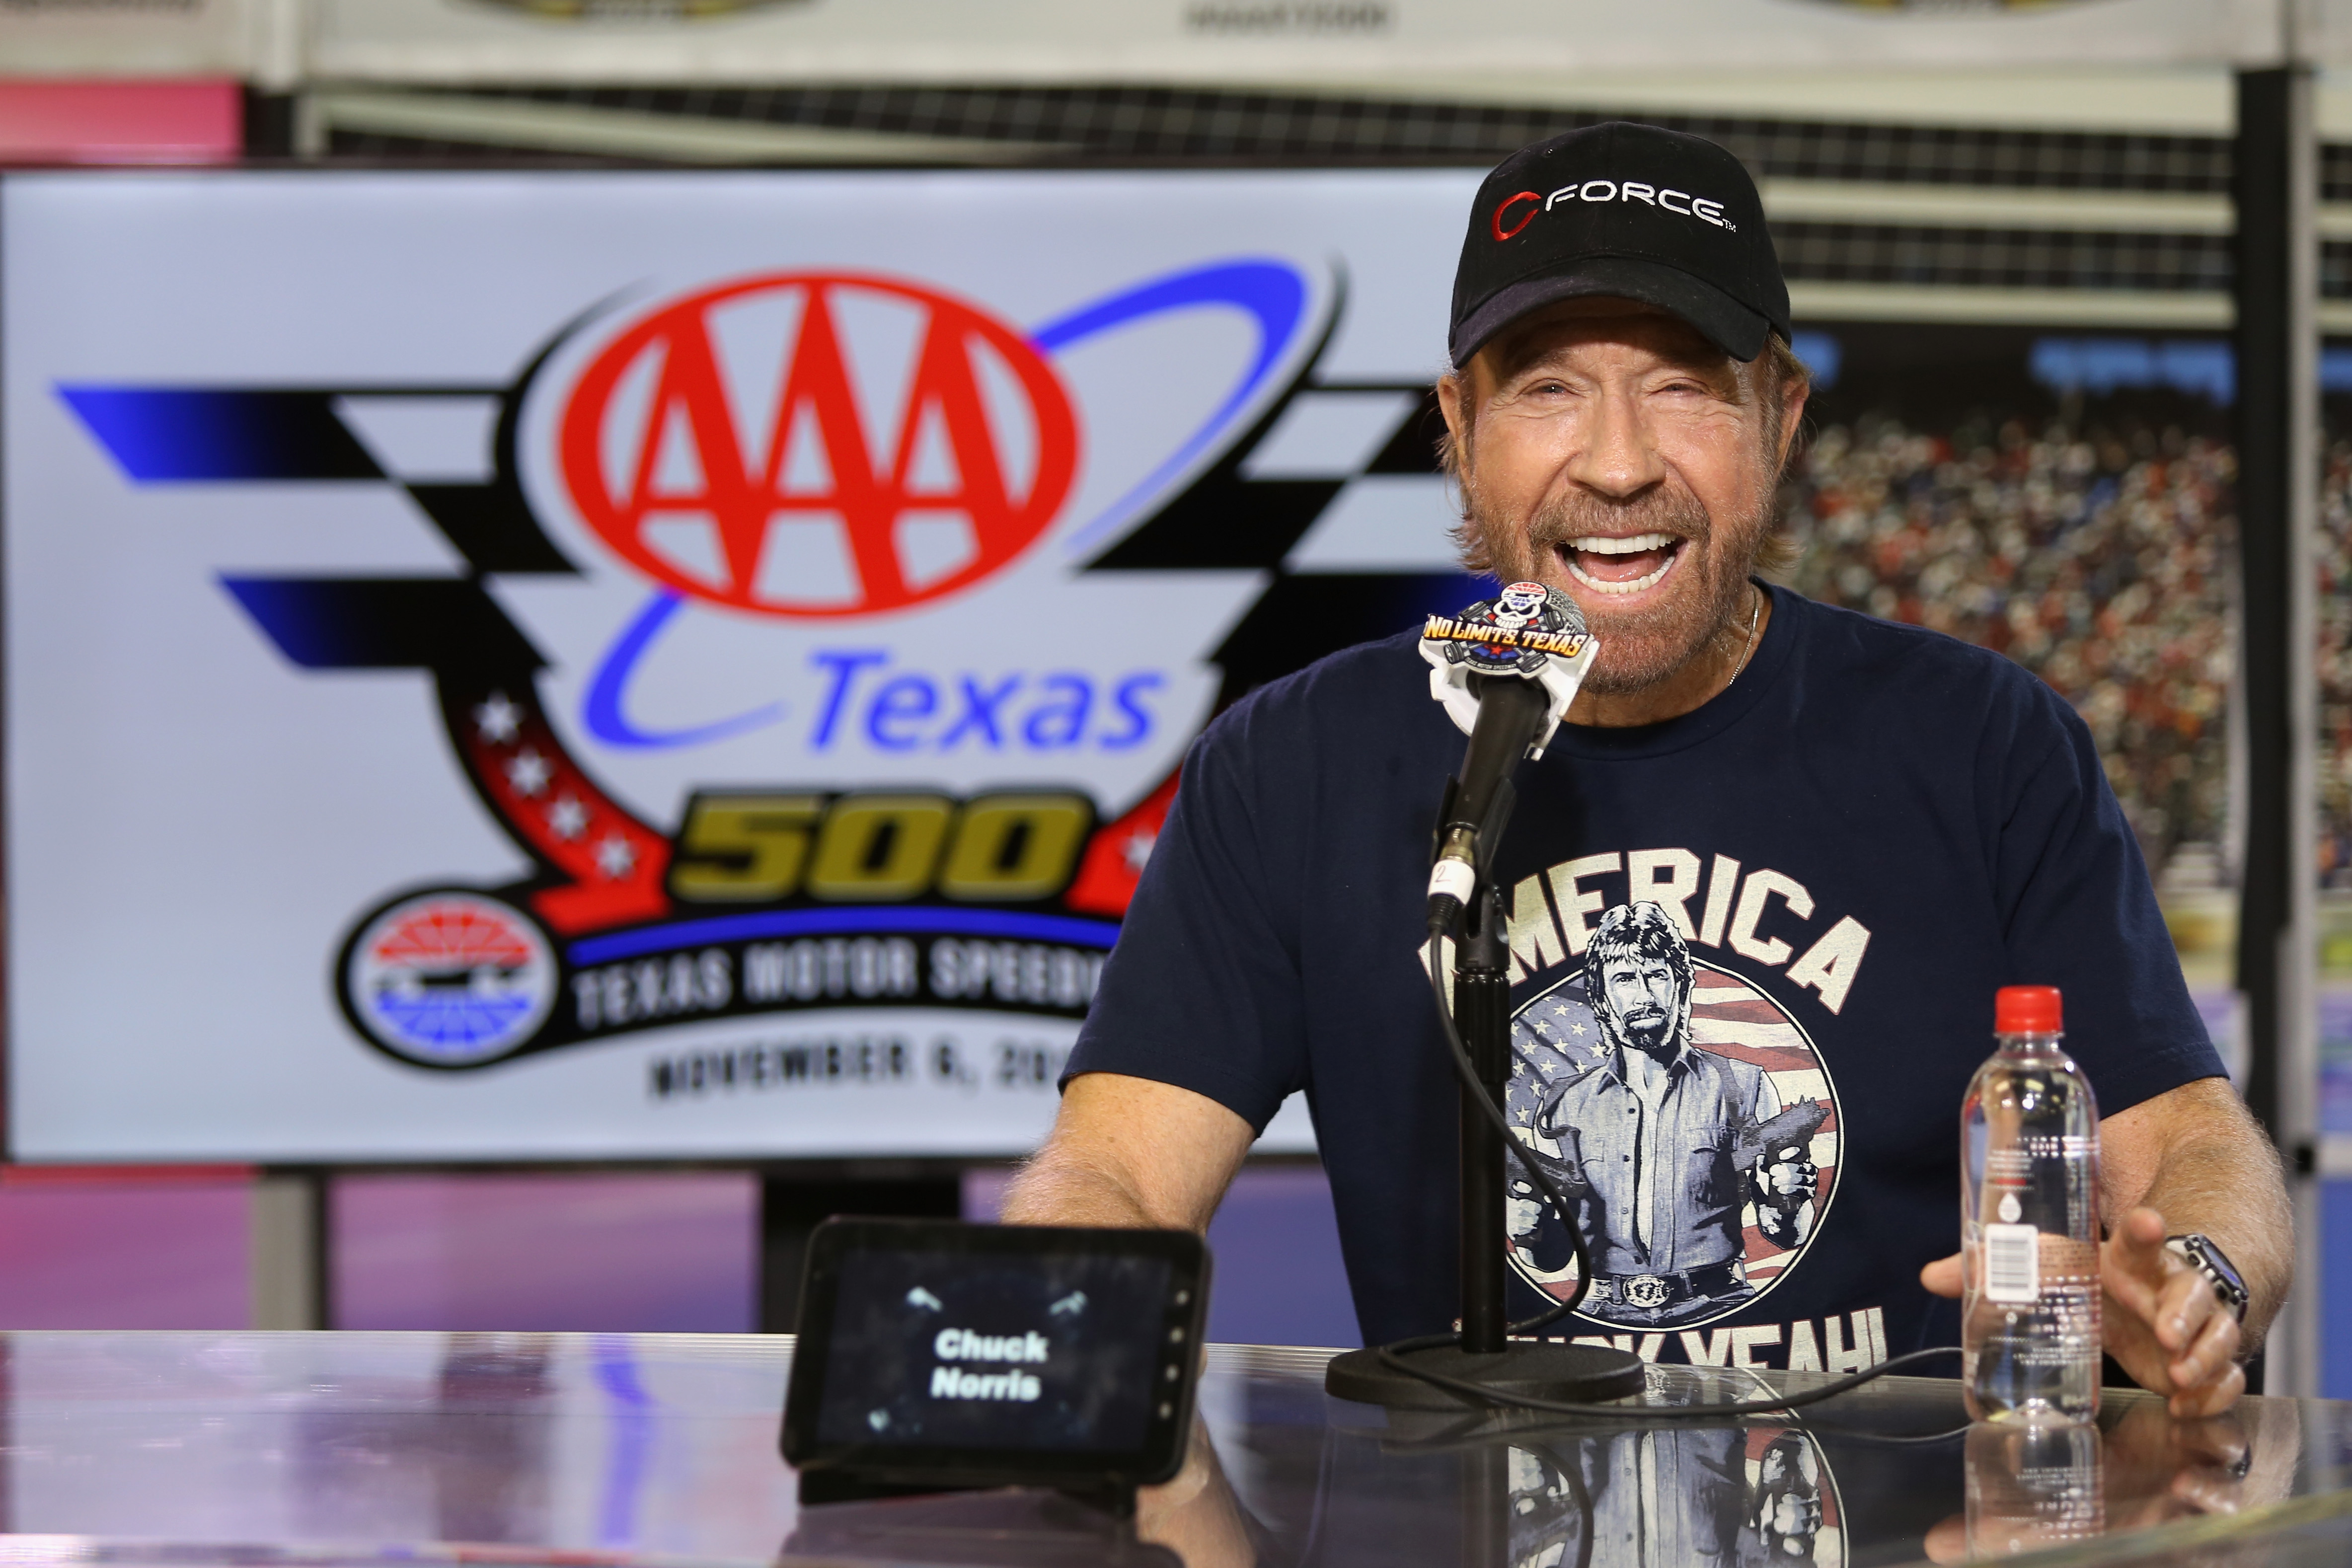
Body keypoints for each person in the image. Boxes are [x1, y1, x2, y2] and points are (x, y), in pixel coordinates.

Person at [1004, 120, 2291, 1416]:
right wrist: (1034, 1331)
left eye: (1680, 384)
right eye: (1546, 387)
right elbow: (1112, 1169)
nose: (1616, 464)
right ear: (1456, 425)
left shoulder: (1983, 745)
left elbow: (2187, 1137)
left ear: (1777, 417)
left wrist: (2194, 1274)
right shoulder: (1291, 766)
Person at [1508, 899, 1818, 1327]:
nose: (1644, 993)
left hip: (1721, 1305)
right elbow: (1549, 1258)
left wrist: (1788, 1199)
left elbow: (1788, 1235)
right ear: (1600, 997)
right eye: (1624, 978)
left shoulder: (1745, 1084)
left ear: (1680, 987)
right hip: (1599, 1313)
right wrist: (1528, 1229)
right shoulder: (1562, 1103)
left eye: (1656, 974)